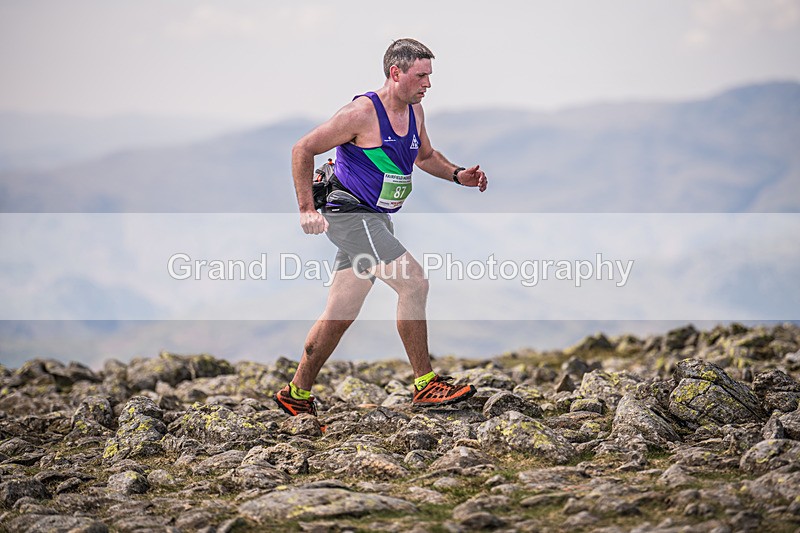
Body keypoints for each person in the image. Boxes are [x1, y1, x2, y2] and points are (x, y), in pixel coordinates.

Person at [275, 38, 488, 416]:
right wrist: (306, 209)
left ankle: (297, 393)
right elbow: (302, 149)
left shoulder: (415, 112)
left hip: (376, 219)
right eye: (421, 75)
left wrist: (457, 175)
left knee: (341, 311)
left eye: (429, 76)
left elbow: (425, 157)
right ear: (396, 72)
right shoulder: (361, 114)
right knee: (414, 282)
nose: (428, 84)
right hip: (349, 213)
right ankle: (425, 385)